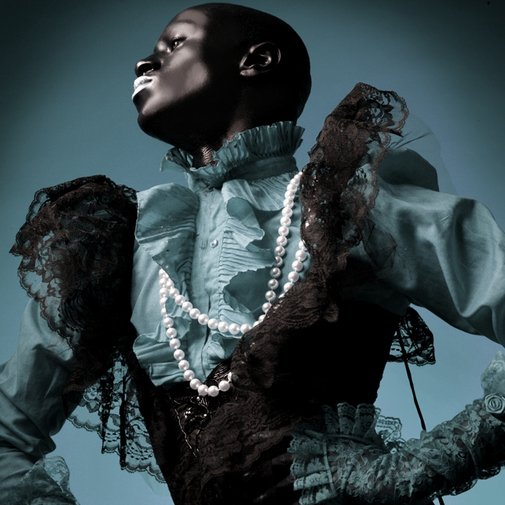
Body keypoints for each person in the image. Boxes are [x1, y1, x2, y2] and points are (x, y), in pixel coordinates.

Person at [1, 2, 505, 504]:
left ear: (258, 60)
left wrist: (424, 462)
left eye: (175, 43)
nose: (144, 62)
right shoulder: (115, 246)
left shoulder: (354, 206)